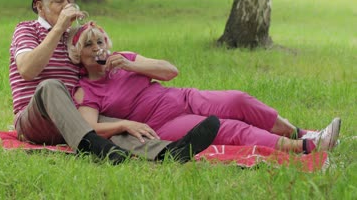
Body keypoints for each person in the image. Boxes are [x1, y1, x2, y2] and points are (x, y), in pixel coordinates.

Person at [8, 0, 220, 165]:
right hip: (36, 120)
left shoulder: (73, 39)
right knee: (51, 86)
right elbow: (27, 70)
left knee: (123, 126)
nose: (67, 5)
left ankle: (169, 152)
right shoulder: (26, 29)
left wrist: (121, 65)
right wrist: (58, 29)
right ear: (39, 6)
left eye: (70, 1)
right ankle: (92, 145)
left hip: (72, 121)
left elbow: (99, 65)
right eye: (59, 1)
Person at [67, 22, 342, 154]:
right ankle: (304, 146)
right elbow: (90, 129)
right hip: (164, 122)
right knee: (227, 128)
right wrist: (125, 124)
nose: (97, 49)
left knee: (238, 100)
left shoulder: (125, 59)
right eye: (89, 45)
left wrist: (131, 66)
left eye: (100, 42)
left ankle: (306, 132)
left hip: (182, 97)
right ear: (79, 55)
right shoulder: (86, 90)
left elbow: (170, 72)